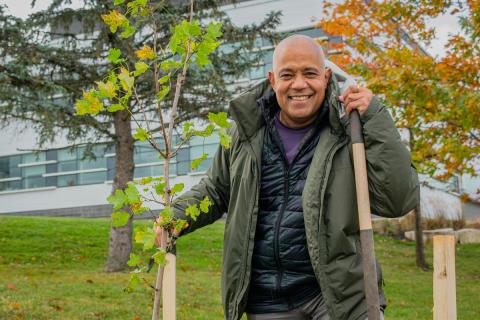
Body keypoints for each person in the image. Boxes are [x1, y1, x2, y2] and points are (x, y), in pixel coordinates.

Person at [161, 35, 420, 320]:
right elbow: (215, 190)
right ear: (273, 80)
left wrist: (375, 117)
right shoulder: (245, 134)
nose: (299, 84)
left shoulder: (350, 132)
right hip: (268, 302)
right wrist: (174, 217)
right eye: (288, 75)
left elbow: (398, 200)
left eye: (309, 73)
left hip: (338, 298)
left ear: (326, 76)